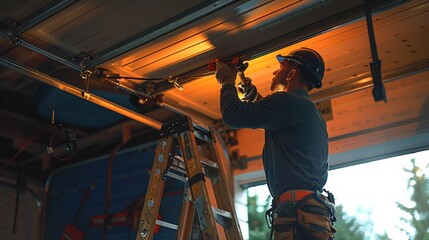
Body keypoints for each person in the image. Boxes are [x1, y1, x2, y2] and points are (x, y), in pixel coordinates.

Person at [215, 48, 336, 239]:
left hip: (298, 214)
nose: (275, 72)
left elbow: (233, 114)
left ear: (292, 73)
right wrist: (252, 96)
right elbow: (277, 114)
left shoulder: (290, 103)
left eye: (281, 67)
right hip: (304, 213)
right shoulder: (303, 107)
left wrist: (226, 80)